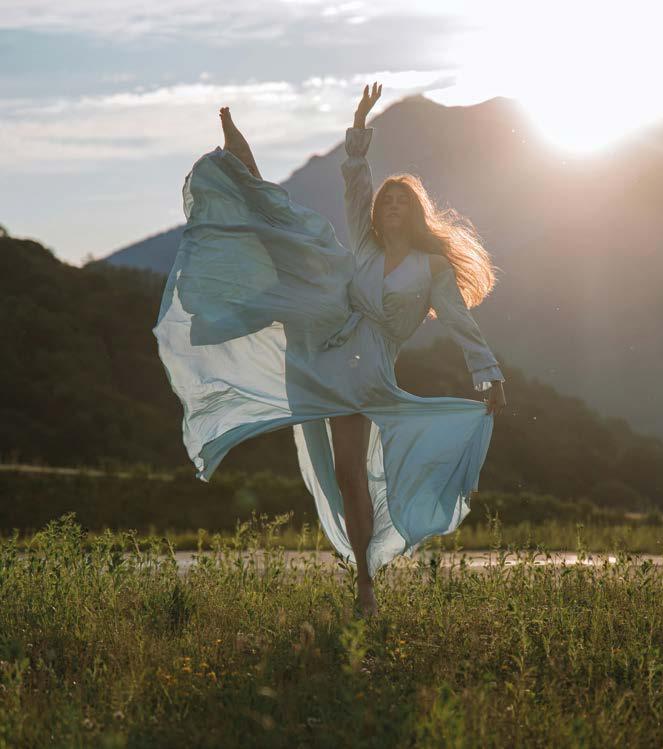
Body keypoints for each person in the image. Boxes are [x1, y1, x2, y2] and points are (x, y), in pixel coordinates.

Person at [152, 82, 506, 617]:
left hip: (369, 365)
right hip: (325, 345)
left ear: (414, 214)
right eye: (385, 201)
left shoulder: (431, 269)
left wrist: (488, 373)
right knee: (285, 236)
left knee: (349, 473)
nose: (388, 207)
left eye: (399, 202)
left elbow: (459, 321)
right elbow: (356, 184)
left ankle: (364, 578)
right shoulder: (364, 246)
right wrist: (360, 126)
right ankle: (240, 168)